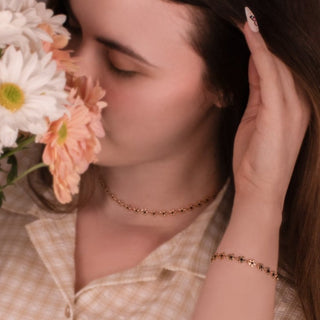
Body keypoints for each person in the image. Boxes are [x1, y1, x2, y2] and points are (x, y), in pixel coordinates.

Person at [0, 0, 319, 319]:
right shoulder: (8, 174)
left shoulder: (281, 299)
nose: (69, 76)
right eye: (72, 27)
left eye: (120, 64)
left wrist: (260, 203)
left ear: (228, 84)